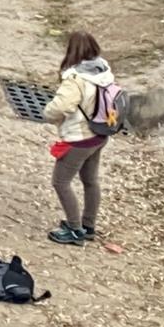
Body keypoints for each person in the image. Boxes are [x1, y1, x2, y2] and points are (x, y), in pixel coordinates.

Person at [42, 31, 113, 245]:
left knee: (61, 181)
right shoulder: (104, 70)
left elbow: (61, 107)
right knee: (90, 180)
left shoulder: (75, 79)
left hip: (79, 137)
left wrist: (47, 113)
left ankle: (74, 229)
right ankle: (88, 225)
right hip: (99, 133)